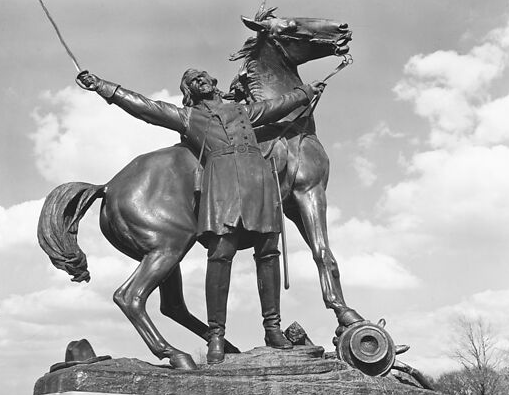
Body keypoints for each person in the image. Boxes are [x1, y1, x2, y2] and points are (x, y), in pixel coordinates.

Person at [77, 69, 325, 364]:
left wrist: (306, 92)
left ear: (213, 82)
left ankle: (273, 329)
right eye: (193, 80)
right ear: (190, 91)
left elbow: (275, 107)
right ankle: (216, 336)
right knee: (221, 256)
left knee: (268, 253)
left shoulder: (243, 111)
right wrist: (105, 88)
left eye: (203, 76)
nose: (200, 80)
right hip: (221, 189)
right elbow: (146, 107)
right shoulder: (188, 117)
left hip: (259, 184)